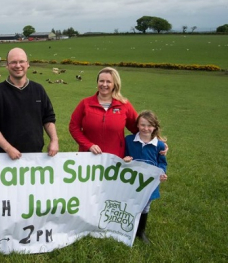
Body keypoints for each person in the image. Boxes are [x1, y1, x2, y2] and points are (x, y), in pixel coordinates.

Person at [0, 47, 59, 160]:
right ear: (7, 65)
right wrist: (8, 148)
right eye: (13, 62)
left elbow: (48, 118)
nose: (18, 65)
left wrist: (54, 140)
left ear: (28, 64)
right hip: (5, 158)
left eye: (21, 61)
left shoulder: (38, 90)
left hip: (36, 157)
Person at [69, 67, 138, 158]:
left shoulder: (124, 105)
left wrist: (158, 143)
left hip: (115, 158)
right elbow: (74, 127)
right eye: (101, 81)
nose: (104, 84)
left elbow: (140, 128)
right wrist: (88, 145)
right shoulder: (85, 104)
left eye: (108, 82)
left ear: (115, 84)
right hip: (88, 158)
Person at [123, 110, 168, 244]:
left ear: (155, 127)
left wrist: (162, 173)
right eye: (142, 125)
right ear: (137, 125)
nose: (145, 128)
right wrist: (124, 158)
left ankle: (140, 231)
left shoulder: (159, 145)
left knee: (145, 206)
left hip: (149, 183)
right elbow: (123, 154)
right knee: (130, 202)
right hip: (132, 181)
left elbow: (162, 162)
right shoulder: (129, 140)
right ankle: (127, 226)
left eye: (149, 126)